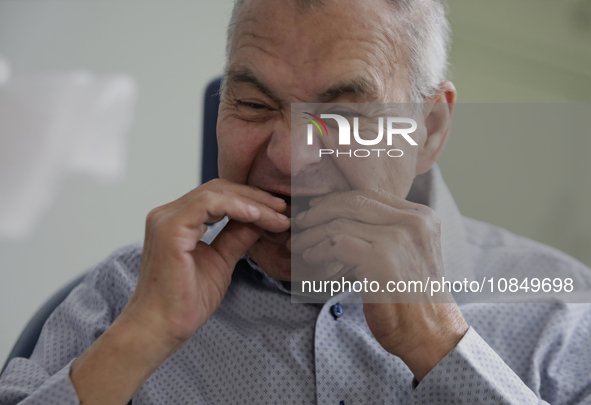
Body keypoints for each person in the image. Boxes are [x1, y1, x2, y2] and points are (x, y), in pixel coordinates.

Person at [1, 0, 591, 404]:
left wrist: (440, 345)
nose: (286, 155)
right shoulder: (119, 300)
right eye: (254, 105)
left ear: (429, 129)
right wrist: (138, 340)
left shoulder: (565, 313)